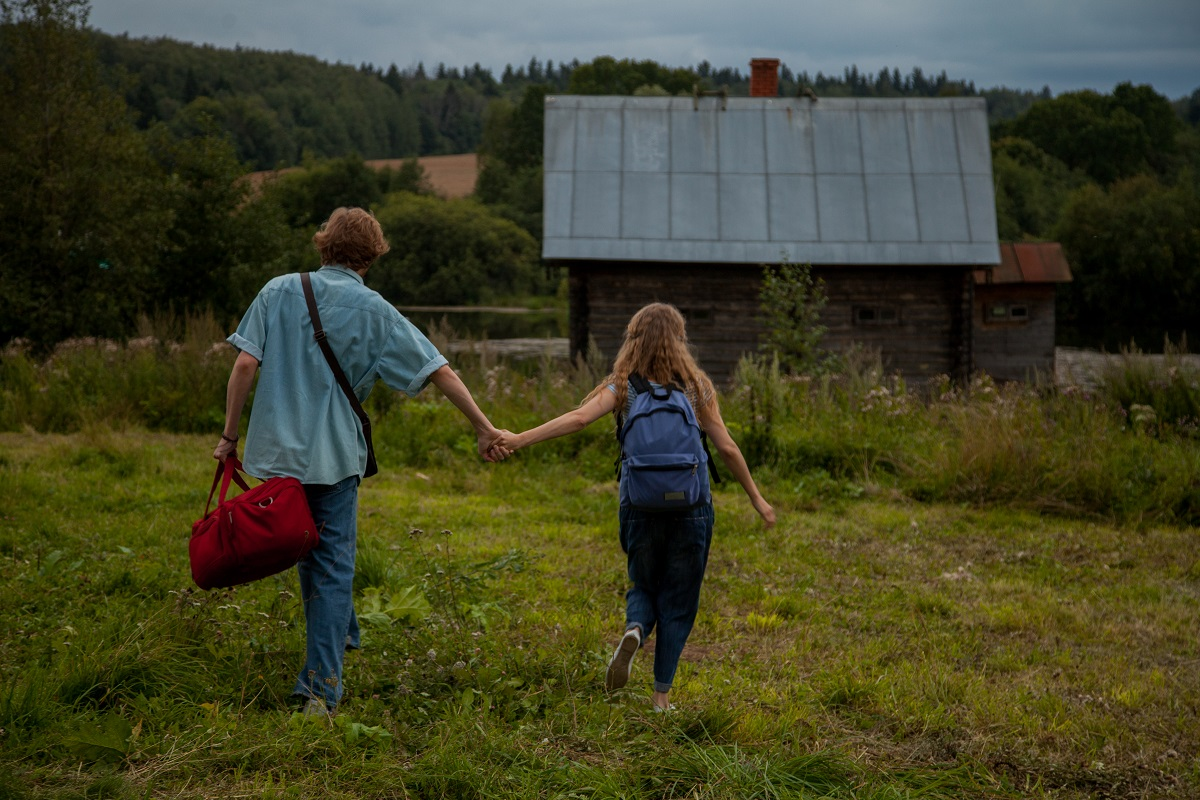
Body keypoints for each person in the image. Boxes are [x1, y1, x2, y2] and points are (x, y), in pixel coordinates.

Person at [213, 207, 507, 716]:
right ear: (372, 257)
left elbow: (244, 363)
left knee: (307, 549)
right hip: (334, 457)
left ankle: (337, 639)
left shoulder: (279, 290)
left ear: (323, 244)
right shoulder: (378, 311)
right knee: (330, 564)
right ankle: (320, 690)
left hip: (279, 457)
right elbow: (441, 371)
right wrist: (484, 427)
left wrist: (229, 436)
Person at [491, 303, 774, 711]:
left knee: (643, 583)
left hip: (639, 504)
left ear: (633, 338)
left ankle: (636, 629)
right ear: (679, 340)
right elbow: (726, 448)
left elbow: (576, 419)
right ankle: (661, 697)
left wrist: (517, 439)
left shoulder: (622, 385)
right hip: (692, 508)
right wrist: (758, 499)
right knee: (679, 598)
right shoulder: (698, 388)